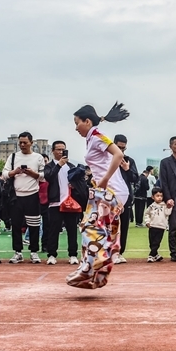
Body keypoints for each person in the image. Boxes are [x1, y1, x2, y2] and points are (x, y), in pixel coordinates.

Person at [66, 102, 129, 289]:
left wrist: (104, 180)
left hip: (111, 190)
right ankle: (97, 273)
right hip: (106, 190)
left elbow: (118, 154)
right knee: (95, 229)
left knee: (91, 228)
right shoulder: (92, 137)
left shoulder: (97, 136)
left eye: (77, 122)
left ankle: (89, 269)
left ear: (87, 121)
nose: (75, 127)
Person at [2, 131, 46, 264]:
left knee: (34, 225)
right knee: (15, 225)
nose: (22, 145)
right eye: (20, 142)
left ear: (31, 143)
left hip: (32, 195)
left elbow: (44, 176)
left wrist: (33, 174)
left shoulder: (38, 157)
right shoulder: (13, 156)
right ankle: (18, 252)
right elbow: (4, 174)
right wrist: (14, 172)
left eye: (25, 142)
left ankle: (34, 252)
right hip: (16, 196)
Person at [43, 140, 82, 266]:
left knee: (72, 230)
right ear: (53, 151)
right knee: (53, 230)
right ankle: (52, 254)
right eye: (58, 149)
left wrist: (75, 186)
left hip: (70, 203)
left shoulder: (71, 166)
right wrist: (59, 164)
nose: (61, 152)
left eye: (63, 149)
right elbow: (48, 177)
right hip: (55, 203)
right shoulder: (49, 166)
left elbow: (79, 182)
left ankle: (73, 254)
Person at [112, 134, 138, 264]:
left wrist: (127, 169)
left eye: (123, 148)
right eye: (119, 147)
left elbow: (135, 178)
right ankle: (109, 251)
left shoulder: (128, 160)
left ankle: (120, 252)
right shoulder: (107, 159)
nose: (121, 150)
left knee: (124, 225)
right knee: (110, 226)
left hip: (125, 198)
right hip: (109, 198)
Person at [144, 187, 171, 262]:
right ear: (153, 197)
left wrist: (169, 207)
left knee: (156, 242)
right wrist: (147, 222)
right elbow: (146, 214)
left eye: (161, 196)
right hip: (152, 226)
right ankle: (155, 255)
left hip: (161, 227)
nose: (159, 198)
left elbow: (167, 213)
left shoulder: (164, 205)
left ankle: (151, 255)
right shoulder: (151, 206)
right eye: (157, 196)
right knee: (151, 243)